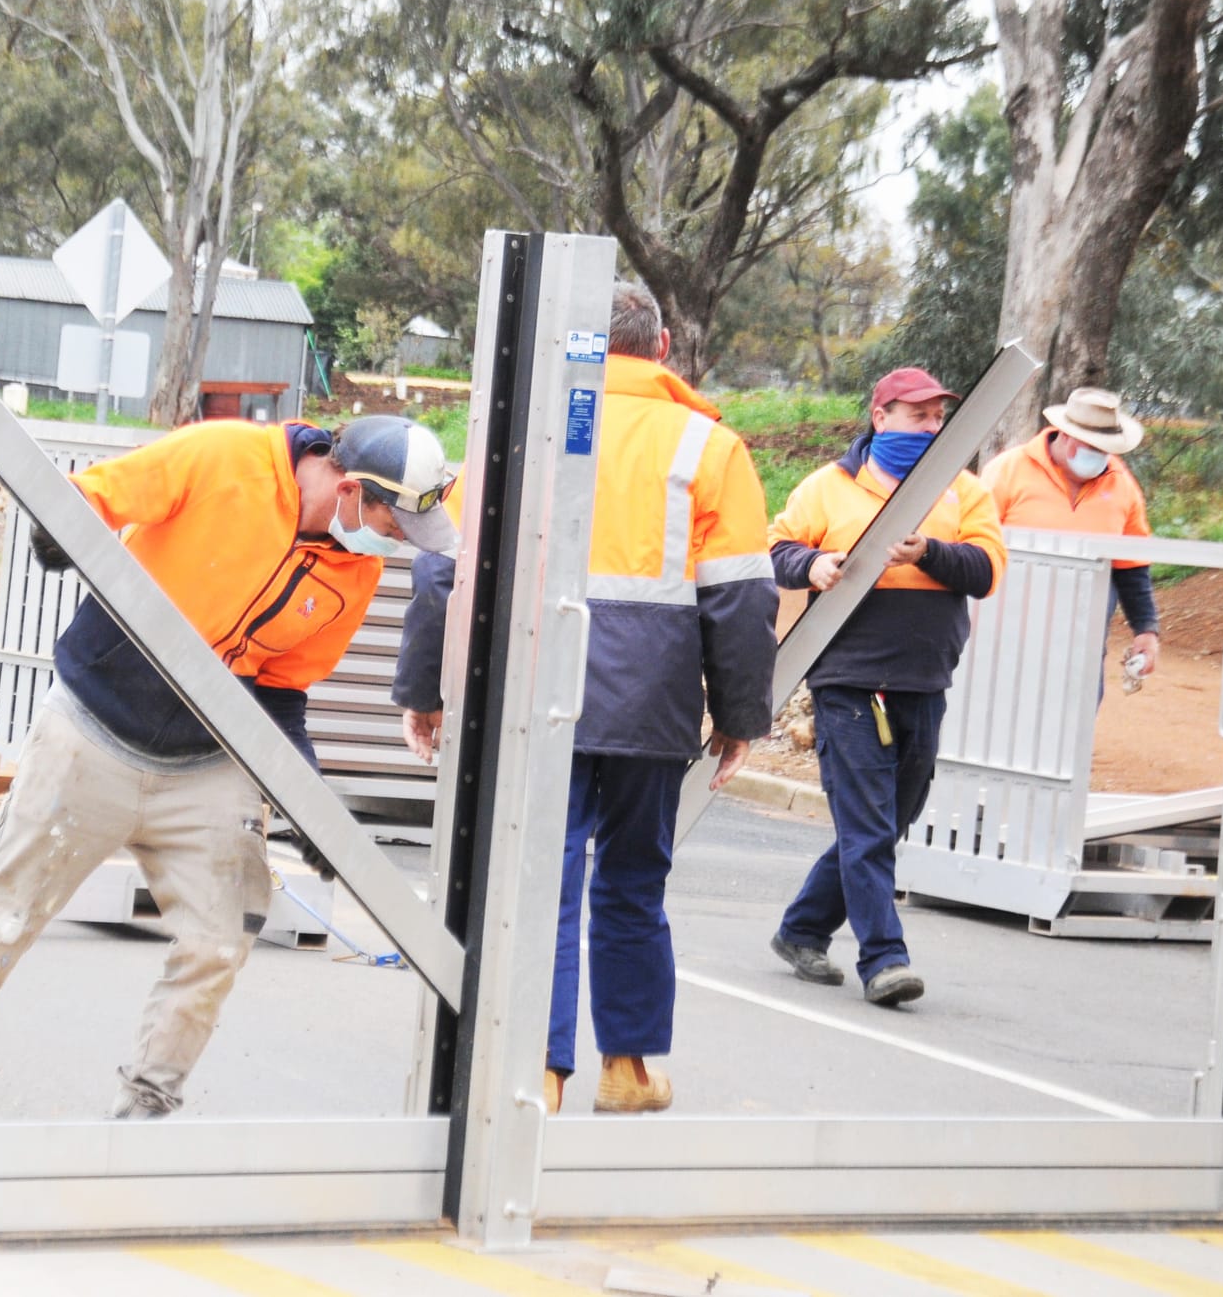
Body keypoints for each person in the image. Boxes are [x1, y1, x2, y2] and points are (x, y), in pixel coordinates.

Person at [0, 412, 459, 1122]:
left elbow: (282, 695)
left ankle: (144, 1114)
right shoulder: (224, 457)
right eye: (391, 527)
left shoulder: (349, 575)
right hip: (90, 733)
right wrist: (65, 527)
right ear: (354, 486)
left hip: (208, 765)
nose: (389, 546)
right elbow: (97, 494)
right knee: (3, 917)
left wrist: (310, 803)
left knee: (218, 943)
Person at [392, 282, 779, 1115]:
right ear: (663, 349)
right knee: (634, 880)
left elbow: (440, 575)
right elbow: (743, 598)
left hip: (538, 690)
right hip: (652, 702)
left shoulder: (519, 435)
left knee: (545, 878)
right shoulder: (709, 448)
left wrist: (426, 690)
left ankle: (541, 1070)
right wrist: (741, 714)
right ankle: (627, 1070)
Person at [767, 366, 1006, 1007]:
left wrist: (927, 551)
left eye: (937, 417)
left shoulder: (963, 490)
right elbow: (776, 546)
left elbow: (985, 571)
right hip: (848, 679)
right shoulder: (829, 486)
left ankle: (802, 929)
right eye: (917, 414)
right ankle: (884, 959)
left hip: (924, 679)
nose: (931, 426)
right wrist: (813, 564)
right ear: (880, 417)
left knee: (889, 818)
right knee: (869, 823)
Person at [982, 387, 1159, 688]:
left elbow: (1132, 568)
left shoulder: (1124, 486)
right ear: (1063, 434)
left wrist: (1146, 629)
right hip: (1002, 636)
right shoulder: (1007, 470)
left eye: (1103, 448)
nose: (1097, 454)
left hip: (1082, 642)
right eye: (1089, 445)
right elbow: (973, 546)